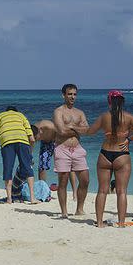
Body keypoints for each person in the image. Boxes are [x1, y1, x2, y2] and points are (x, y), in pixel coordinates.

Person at [83, 90, 133, 227]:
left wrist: (77, 128)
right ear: (122, 102)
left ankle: (99, 223)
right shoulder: (128, 117)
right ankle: (121, 223)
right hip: (121, 155)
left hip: (105, 154)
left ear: (109, 101)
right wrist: (129, 139)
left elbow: (90, 132)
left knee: (102, 190)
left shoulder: (104, 117)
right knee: (122, 191)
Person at [52, 84, 90, 217]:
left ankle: (79, 209)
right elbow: (61, 131)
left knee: (85, 179)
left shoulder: (80, 113)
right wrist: (77, 128)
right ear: (63, 95)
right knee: (63, 181)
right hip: (62, 148)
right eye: (69, 94)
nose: (72, 97)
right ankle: (64, 212)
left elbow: (87, 130)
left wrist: (72, 127)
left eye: (74, 94)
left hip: (77, 149)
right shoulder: (58, 111)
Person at [0, 106, 36, 204]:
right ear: (16, 111)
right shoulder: (21, 116)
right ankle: (33, 198)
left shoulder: (0, 116)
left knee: (8, 169)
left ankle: (9, 199)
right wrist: (30, 154)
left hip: (7, 142)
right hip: (23, 141)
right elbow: (32, 139)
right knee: (27, 168)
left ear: (6, 111)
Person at [32, 120, 78, 197]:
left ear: (40, 131)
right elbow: (31, 144)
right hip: (46, 143)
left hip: (58, 141)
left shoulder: (49, 126)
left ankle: (75, 192)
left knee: (68, 166)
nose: (36, 141)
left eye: (36, 138)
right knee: (42, 166)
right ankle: (43, 190)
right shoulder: (32, 131)